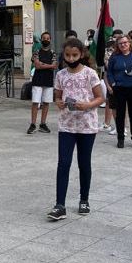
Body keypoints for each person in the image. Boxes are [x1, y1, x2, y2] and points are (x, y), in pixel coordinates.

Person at [47, 38, 104, 220]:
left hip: (87, 125)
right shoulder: (61, 75)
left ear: (81, 55)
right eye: (68, 55)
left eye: (75, 55)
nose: (71, 59)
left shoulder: (90, 74)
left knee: (84, 163)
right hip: (67, 125)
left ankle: (84, 199)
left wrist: (86, 105)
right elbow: (57, 96)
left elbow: (100, 98)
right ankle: (59, 204)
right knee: (63, 163)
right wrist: (59, 102)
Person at [105, 34, 132, 148]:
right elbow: (109, 72)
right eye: (120, 43)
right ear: (117, 45)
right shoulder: (114, 56)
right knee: (120, 114)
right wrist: (113, 83)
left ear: (129, 43)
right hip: (119, 89)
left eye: (125, 42)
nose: (123, 45)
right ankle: (120, 138)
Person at [28, 32, 56, 134]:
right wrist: (48, 65)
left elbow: (54, 65)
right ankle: (33, 124)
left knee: (46, 102)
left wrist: (42, 64)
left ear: (50, 40)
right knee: (35, 102)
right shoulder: (36, 52)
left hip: (48, 81)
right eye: (44, 38)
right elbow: (37, 65)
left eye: (48, 38)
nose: (46, 40)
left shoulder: (53, 53)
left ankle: (43, 124)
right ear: (41, 39)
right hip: (37, 80)